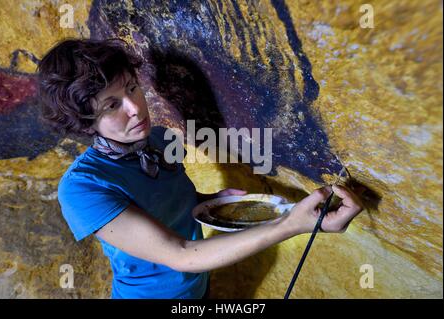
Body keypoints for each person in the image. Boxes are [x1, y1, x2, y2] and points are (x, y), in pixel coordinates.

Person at [37, 38, 364, 299]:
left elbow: (171, 201)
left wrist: (211, 202)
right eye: (112, 105)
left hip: (198, 286)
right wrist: (293, 224)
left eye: (132, 88)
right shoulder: (83, 188)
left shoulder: (161, 139)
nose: (135, 108)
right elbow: (181, 254)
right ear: (84, 122)